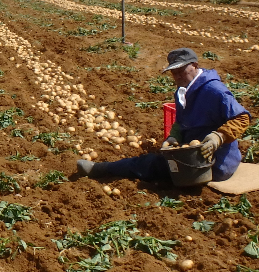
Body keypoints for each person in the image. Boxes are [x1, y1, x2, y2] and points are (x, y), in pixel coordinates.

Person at [76, 48, 250, 189]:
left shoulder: (214, 90)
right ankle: (105, 168)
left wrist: (218, 137)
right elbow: (181, 122)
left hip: (214, 162)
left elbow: (242, 118)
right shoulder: (182, 91)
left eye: (181, 70)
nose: (178, 76)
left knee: (151, 164)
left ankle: (102, 169)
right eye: (174, 72)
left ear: (194, 65)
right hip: (191, 153)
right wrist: (173, 137)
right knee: (163, 163)